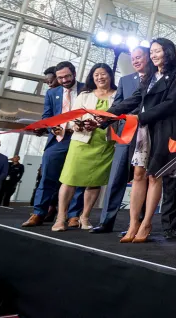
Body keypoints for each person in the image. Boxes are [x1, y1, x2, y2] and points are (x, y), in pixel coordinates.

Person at [105, 38, 176, 243]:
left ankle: (147, 223)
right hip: (142, 130)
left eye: (157, 51)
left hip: (163, 128)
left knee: (154, 176)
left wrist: (141, 117)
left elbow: (170, 104)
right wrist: (107, 115)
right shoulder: (149, 75)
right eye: (151, 51)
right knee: (138, 174)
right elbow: (134, 99)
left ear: (168, 52)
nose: (153, 55)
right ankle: (133, 223)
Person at [52, 63, 118, 231]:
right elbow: (72, 117)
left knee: (94, 182)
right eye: (96, 75)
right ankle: (61, 218)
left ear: (110, 76)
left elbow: (121, 119)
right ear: (92, 77)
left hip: (105, 144)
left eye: (103, 74)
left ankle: (85, 216)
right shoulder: (85, 95)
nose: (100, 77)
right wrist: (79, 126)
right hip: (81, 141)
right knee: (69, 179)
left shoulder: (118, 95)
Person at [92, 46, 150, 234]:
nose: (135, 61)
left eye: (139, 57)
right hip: (126, 135)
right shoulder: (125, 80)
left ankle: (137, 223)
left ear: (148, 58)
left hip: (148, 135)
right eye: (133, 58)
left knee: (141, 179)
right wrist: (106, 118)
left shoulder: (156, 79)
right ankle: (106, 221)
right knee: (116, 177)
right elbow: (118, 105)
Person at [22, 61, 85, 228]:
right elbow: (47, 117)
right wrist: (52, 127)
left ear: (74, 74)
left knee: (78, 178)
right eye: (60, 77)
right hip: (58, 140)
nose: (64, 80)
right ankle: (38, 213)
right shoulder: (52, 93)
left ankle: (73, 216)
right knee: (47, 177)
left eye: (67, 76)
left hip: (80, 138)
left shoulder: (87, 89)